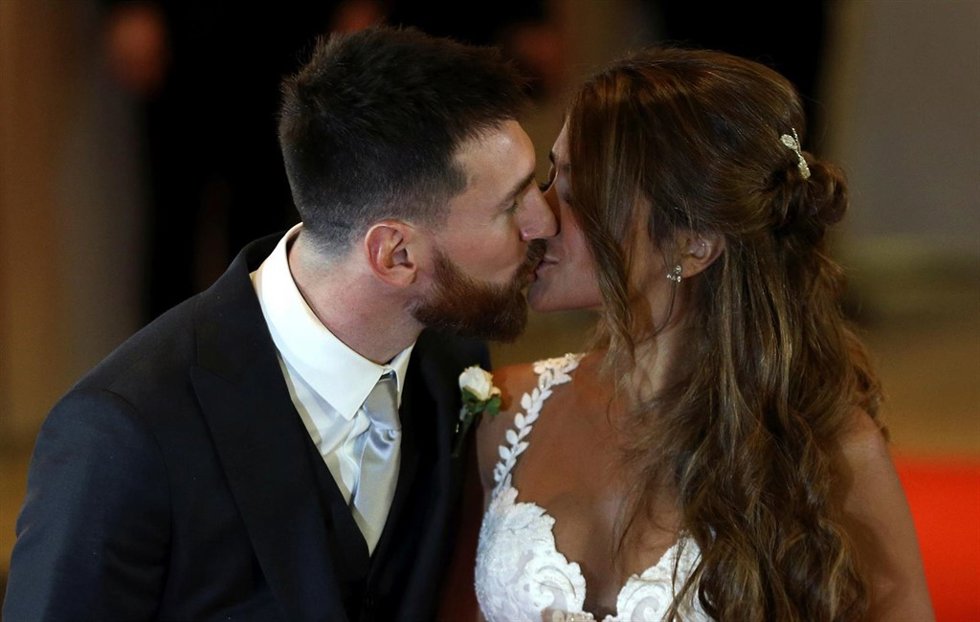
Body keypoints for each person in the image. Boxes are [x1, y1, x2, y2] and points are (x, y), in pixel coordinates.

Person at [3, 26, 556, 621]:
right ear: (395, 255)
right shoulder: (123, 432)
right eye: (511, 205)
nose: (544, 221)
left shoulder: (452, 359)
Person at [472, 47, 934, 620]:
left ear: (692, 245)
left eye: (577, 193)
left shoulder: (828, 452)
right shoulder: (506, 412)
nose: (537, 218)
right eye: (551, 175)